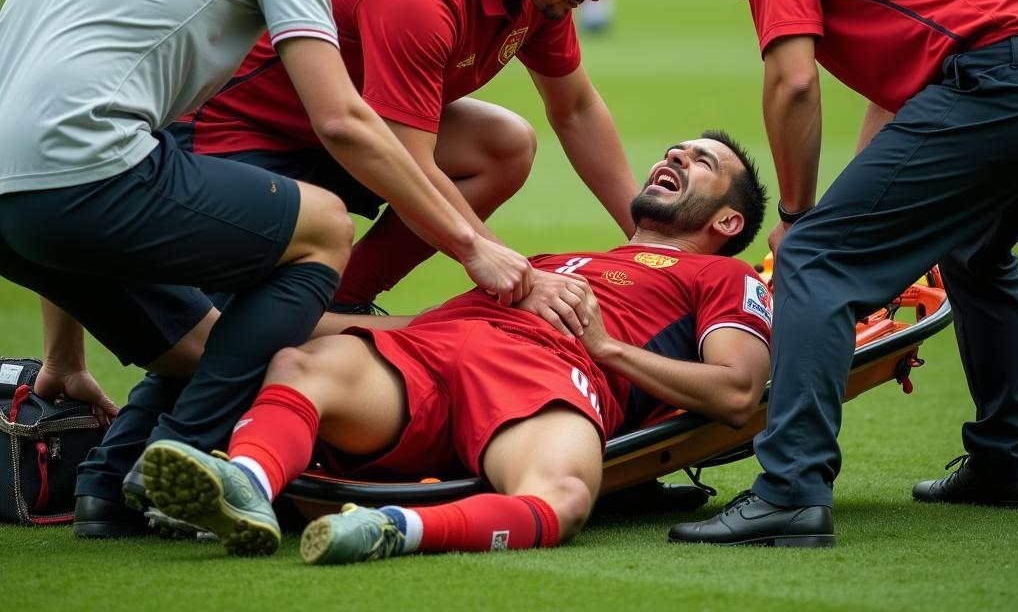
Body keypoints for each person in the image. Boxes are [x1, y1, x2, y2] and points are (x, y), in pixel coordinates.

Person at [0, 0, 532, 539]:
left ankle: (106, 488)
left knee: (206, 343)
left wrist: (65, 359)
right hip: (90, 172)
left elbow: (36, 142)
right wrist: (472, 245)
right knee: (324, 226)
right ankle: (182, 454)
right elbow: (342, 120)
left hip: (21, 205)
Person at [141, 132, 772, 560]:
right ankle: (245, 481)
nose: (677, 156)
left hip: (549, 370)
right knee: (299, 361)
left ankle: (395, 530)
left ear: (727, 222)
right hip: (434, 350)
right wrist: (282, 327)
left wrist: (606, 348)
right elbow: (431, 324)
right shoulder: (554, 259)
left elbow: (739, 391)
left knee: (563, 496)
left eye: (701, 162)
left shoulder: (723, 277)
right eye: (676, 150)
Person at [664, 0, 1018, 548]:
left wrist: (800, 219)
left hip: (999, 73)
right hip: (999, 70)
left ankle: (791, 491)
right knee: (975, 251)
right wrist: (851, 222)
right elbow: (901, 107)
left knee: (816, 259)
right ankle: (1007, 461)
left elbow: (793, 82)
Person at [172, 0, 651, 316]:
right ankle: (308, 316)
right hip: (238, 129)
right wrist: (513, 273)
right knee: (225, 338)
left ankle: (343, 300)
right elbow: (410, 165)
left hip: (341, 128)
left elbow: (576, 109)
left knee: (504, 145)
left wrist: (650, 240)